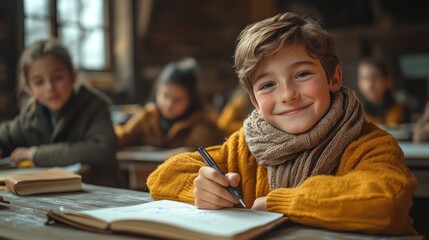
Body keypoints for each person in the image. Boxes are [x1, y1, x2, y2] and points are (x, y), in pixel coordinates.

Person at [147, 12, 417, 235]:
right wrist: (201, 186)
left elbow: (385, 201)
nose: (288, 95)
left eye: (301, 74)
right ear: (254, 101)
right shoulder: (245, 147)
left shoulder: (372, 144)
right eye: (268, 85)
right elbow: (162, 178)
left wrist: (281, 202)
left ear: (334, 77)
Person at [0, 39, 118, 186]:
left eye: (57, 78)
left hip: (98, 195)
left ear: (73, 77)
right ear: (29, 89)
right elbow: (6, 135)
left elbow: (102, 150)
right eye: (39, 82)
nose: (49, 87)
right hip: (44, 196)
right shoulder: (31, 115)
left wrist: (36, 155)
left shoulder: (94, 105)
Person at [114, 57, 225, 148]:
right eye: (165, 96)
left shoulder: (202, 123)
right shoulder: (149, 115)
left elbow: (209, 156)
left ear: (191, 100)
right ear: (157, 92)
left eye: (178, 100)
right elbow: (124, 136)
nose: (169, 104)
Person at [357, 57, 409, 127]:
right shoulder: (355, 113)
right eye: (365, 78)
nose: (370, 84)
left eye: (375, 77)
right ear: (359, 82)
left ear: (387, 80)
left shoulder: (400, 110)